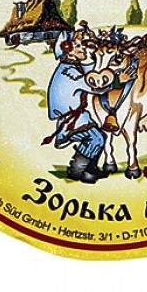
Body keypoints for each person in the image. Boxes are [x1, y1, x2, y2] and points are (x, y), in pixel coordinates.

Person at [44, 34, 107, 183]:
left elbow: (89, 73)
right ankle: (77, 171)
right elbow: (95, 86)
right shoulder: (69, 72)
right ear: (68, 51)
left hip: (76, 116)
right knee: (96, 139)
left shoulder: (70, 67)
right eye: (78, 46)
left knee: (99, 137)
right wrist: (118, 80)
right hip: (71, 119)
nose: (82, 48)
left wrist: (87, 59)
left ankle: (90, 169)